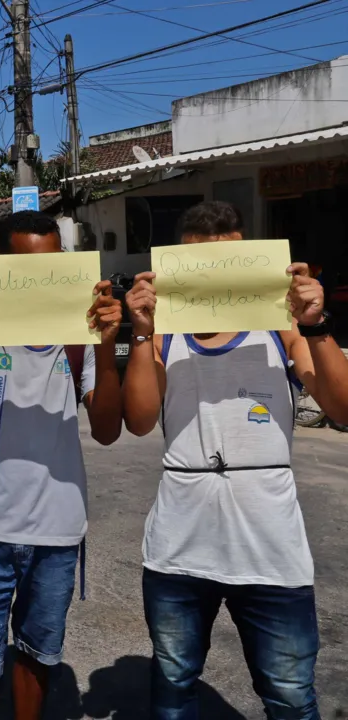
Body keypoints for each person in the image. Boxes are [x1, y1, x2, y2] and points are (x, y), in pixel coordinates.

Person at [123, 200, 348, 720]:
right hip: (178, 551)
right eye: (198, 269)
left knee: (291, 696)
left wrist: (315, 324)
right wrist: (139, 331)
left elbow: (341, 406)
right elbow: (138, 419)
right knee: (174, 691)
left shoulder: (282, 327)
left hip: (272, 552)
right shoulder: (162, 334)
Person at [0, 210, 124, 720]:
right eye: (27, 267)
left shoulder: (78, 335)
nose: (42, 278)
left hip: (57, 532)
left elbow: (107, 429)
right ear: (2, 267)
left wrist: (106, 352)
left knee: (37, 661)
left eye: (52, 264)